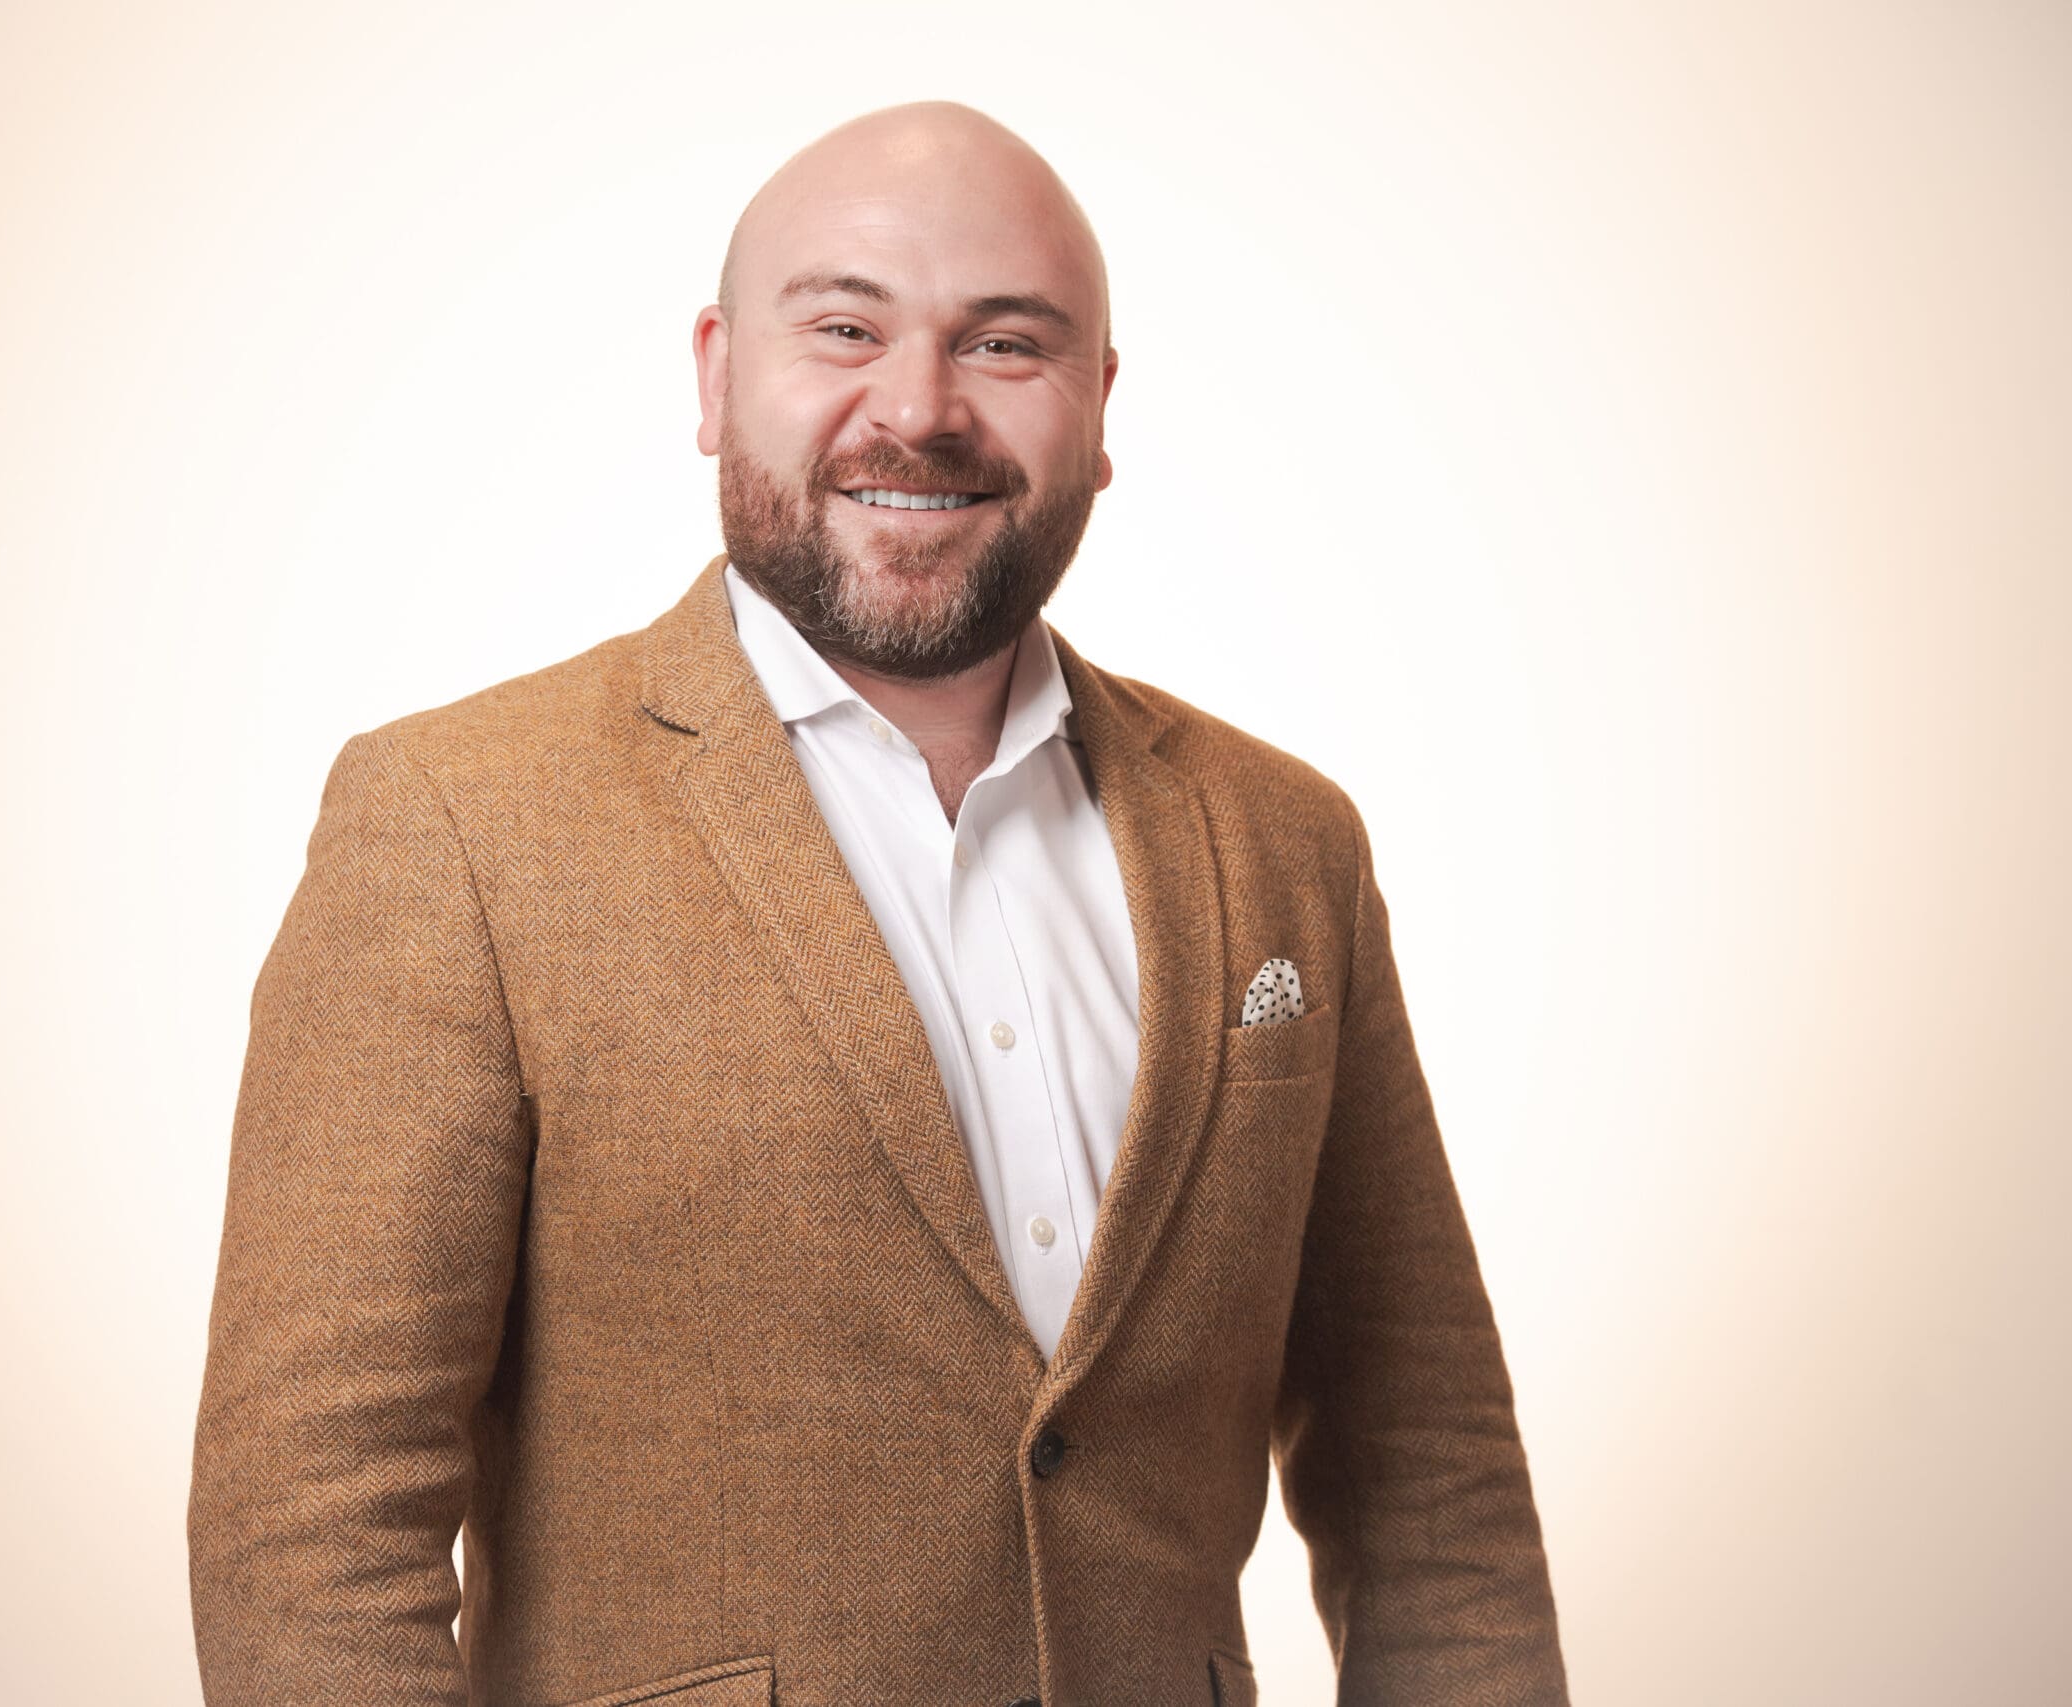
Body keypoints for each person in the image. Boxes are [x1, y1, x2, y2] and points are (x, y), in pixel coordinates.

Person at [188, 100, 1568, 1707]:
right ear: (716, 376)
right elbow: (311, 1519)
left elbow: (1431, 1472)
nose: (916, 409)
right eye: (845, 326)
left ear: (1099, 405)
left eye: (1007, 343)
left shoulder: (1283, 841)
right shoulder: (459, 822)